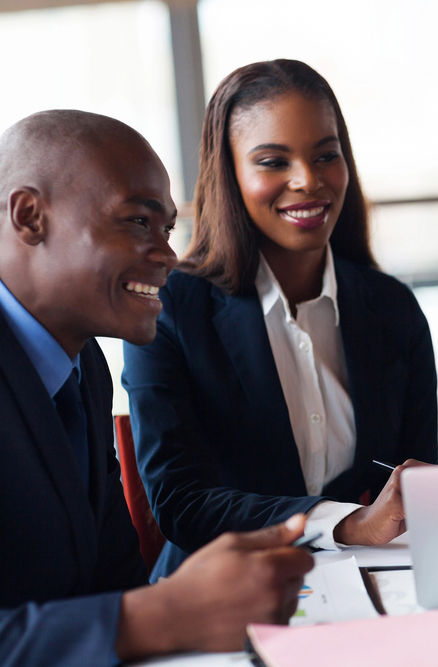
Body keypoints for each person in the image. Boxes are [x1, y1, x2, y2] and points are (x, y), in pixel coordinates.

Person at [122, 59, 438, 580]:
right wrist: (345, 524)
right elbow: (180, 503)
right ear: (230, 174)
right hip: (219, 593)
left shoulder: (392, 308)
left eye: (326, 155)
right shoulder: (172, 308)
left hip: (377, 581)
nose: (308, 180)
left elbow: (408, 492)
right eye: (273, 162)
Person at [0, 110, 314, 666]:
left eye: (166, 228)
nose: (168, 254)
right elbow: (134, 611)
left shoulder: (84, 367)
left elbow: (109, 578)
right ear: (30, 217)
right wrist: (160, 615)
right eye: (137, 222)